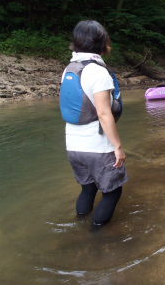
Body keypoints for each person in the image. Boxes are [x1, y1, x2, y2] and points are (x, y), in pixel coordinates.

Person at [60, 20, 128, 226]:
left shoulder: (70, 69)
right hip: (96, 146)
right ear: (101, 42)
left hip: (73, 144)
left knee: (88, 188)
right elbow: (103, 113)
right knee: (113, 192)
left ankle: (79, 225)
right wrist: (118, 147)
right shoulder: (98, 71)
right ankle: (96, 237)